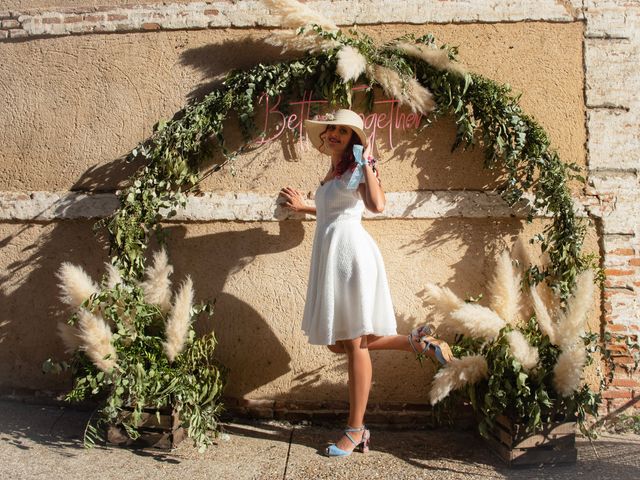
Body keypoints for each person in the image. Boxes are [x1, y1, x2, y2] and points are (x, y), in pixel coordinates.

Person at [279, 109, 453, 457]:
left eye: (344, 131)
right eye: (332, 130)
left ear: (355, 139)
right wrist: (305, 207)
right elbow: (337, 209)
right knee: (338, 342)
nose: (335, 135)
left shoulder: (358, 167)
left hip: (351, 257)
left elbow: (376, 205)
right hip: (334, 257)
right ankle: (417, 343)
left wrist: (370, 164)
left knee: (355, 344)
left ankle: (355, 430)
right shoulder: (334, 171)